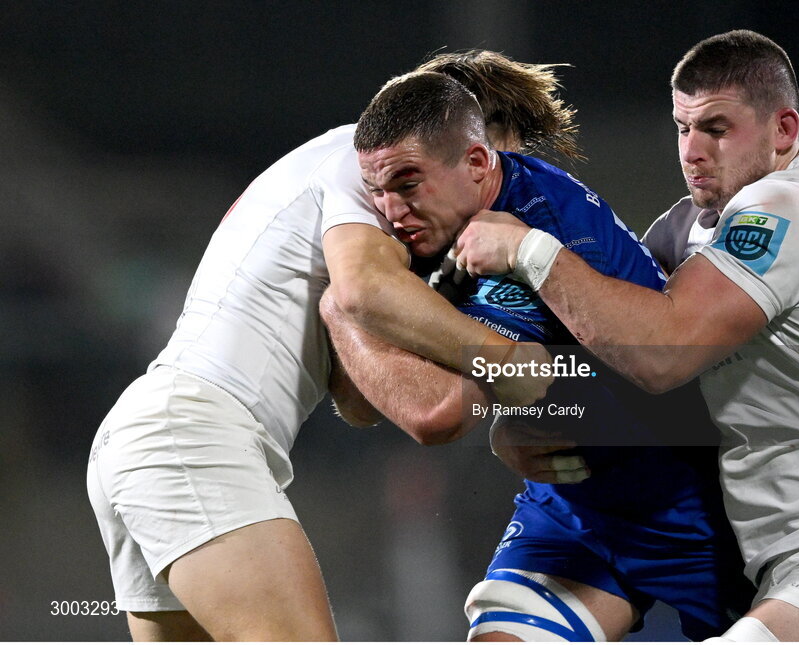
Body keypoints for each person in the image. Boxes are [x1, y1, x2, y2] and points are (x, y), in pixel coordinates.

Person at [454, 30, 799, 642]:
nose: (692, 151)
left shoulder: (791, 208)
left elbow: (659, 354)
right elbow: (608, 354)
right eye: (682, 128)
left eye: (717, 129)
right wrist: (523, 419)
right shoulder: (688, 228)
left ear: (783, 130)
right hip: (777, 566)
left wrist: (526, 246)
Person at [85, 51, 569, 641]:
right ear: (456, 131)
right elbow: (364, 292)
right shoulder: (356, 162)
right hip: (193, 434)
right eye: (496, 165)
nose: (501, 192)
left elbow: (362, 400)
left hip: (150, 436)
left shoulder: (370, 218)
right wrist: (513, 363)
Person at [325, 69, 752, 642]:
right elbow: (360, 402)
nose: (390, 211)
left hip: (684, 514)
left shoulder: (513, 236)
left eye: (406, 184)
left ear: (477, 162)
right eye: (376, 191)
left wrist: (343, 307)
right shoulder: (458, 215)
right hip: (571, 511)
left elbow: (433, 412)